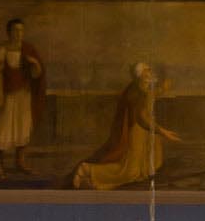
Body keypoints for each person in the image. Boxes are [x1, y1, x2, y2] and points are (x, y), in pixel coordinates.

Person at [73, 61, 180, 191]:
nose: (151, 72)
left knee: (153, 164)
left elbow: (152, 94)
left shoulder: (144, 87)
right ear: (141, 75)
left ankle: (92, 178)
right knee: (130, 172)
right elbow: (141, 118)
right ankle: (87, 169)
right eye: (147, 70)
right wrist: (163, 132)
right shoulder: (134, 93)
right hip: (138, 131)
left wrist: (163, 88)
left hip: (147, 132)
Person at [0, 18, 45, 179]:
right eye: (15, 30)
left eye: (21, 30)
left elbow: (36, 75)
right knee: (3, 128)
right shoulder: (3, 49)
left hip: (24, 94)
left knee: (23, 126)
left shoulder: (28, 49)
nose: (18, 33)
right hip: (8, 94)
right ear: (9, 32)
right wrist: (0, 94)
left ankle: (20, 162)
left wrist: (35, 63)